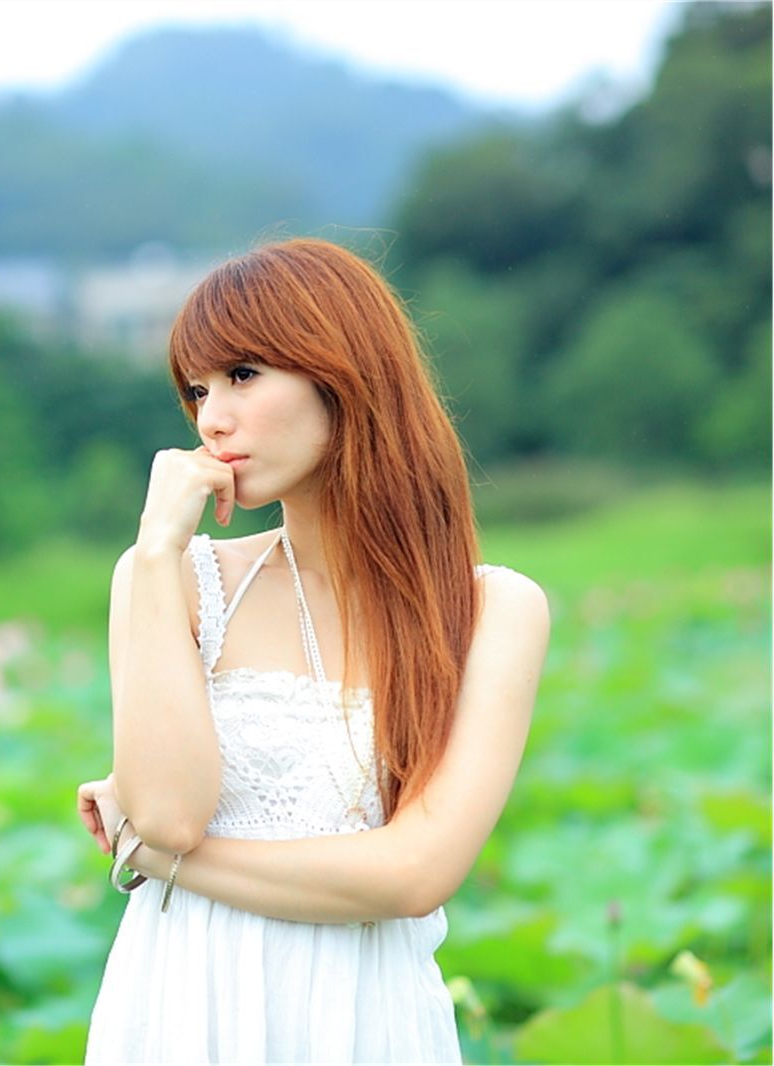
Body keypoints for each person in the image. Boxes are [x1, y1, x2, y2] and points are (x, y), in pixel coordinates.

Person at [74, 237, 551, 1063]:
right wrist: (153, 549)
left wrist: (156, 860)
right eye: (197, 389)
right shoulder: (174, 580)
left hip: (367, 1017)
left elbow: (414, 875)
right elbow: (170, 813)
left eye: (244, 376)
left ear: (345, 374)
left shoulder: (491, 610)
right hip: (185, 1004)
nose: (211, 417)